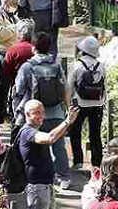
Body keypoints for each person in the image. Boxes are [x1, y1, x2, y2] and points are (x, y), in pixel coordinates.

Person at [13, 33, 74, 190]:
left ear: (33, 48)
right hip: (56, 113)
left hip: (35, 114)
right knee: (59, 146)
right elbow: (65, 89)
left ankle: (40, 178)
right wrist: (67, 110)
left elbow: (19, 90)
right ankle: (64, 177)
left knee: (36, 148)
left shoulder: (27, 66)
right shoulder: (56, 65)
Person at [18, 99, 78, 209]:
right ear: (27, 114)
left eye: (43, 112)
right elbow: (50, 138)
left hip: (47, 186)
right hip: (37, 188)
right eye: (37, 113)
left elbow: (53, 137)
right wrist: (67, 121)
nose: (41, 116)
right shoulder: (27, 132)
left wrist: (68, 123)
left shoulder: (36, 130)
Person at [66, 36, 105, 169]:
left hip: (79, 103)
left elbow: (69, 87)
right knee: (95, 134)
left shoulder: (76, 65)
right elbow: (105, 86)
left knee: (75, 132)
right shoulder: (102, 66)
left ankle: (78, 161)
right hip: (97, 104)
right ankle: (96, 164)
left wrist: (68, 105)